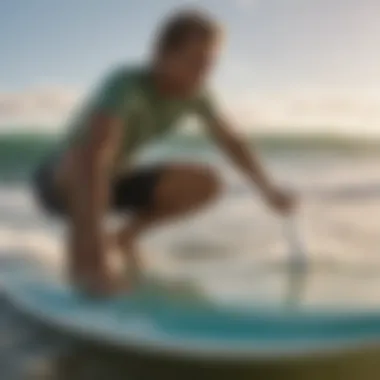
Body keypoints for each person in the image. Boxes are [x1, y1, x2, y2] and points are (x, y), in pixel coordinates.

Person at [33, 10, 294, 296]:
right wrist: (96, 261)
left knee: (206, 182)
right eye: (195, 62)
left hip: (113, 182)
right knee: (86, 162)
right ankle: (84, 268)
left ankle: (124, 238)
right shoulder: (125, 83)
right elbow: (97, 155)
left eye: (209, 64)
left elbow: (231, 141)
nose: (203, 73)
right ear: (161, 55)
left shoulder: (197, 94)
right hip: (61, 182)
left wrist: (268, 189)